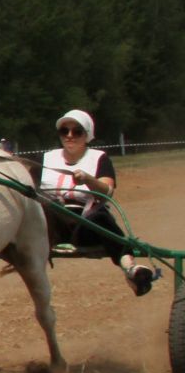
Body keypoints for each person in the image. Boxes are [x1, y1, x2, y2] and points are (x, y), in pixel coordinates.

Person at [40, 108, 154, 296]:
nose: (69, 136)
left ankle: (130, 268)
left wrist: (88, 179)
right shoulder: (46, 158)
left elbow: (107, 191)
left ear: (87, 136)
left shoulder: (99, 158)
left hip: (85, 224)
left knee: (101, 217)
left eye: (77, 131)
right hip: (51, 225)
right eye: (64, 131)